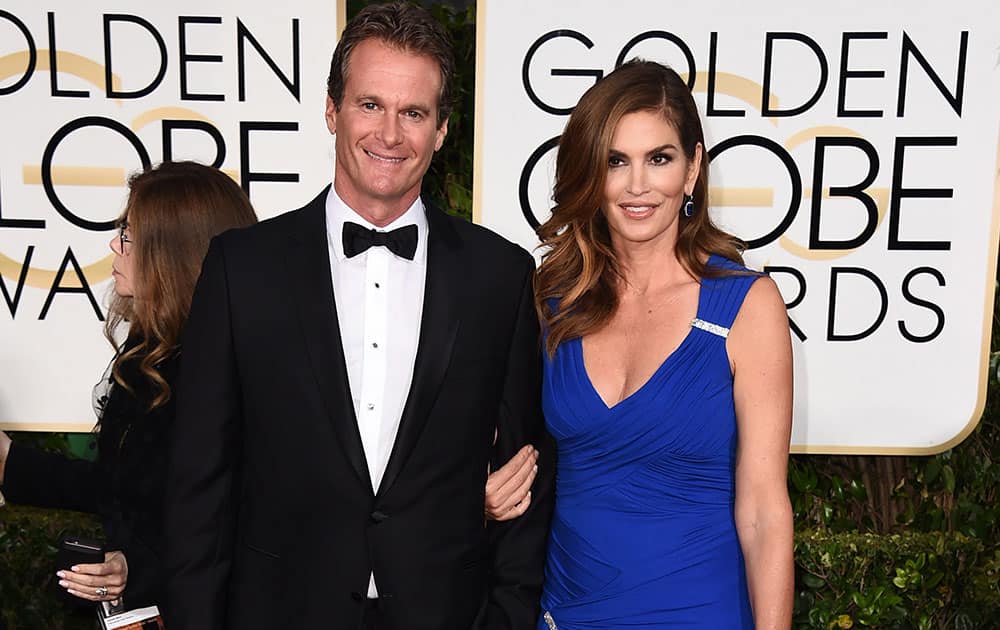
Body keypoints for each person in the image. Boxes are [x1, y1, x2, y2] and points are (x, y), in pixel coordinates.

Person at [160, 4, 554, 629]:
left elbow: (526, 478)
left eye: (414, 113)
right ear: (331, 110)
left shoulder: (498, 277)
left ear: (443, 130)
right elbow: (198, 487)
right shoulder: (243, 269)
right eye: (370, 104)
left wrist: (505, 618)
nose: (390, 134)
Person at [529, 60, 794, 628]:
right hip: (568, 612)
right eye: (615, 161)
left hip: (698, 610)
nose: (638, 185)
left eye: (660, 158)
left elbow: (765, 511)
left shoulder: (746, 305)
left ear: (693, 168)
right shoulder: (555, 301)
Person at [0, 161, 258, 609]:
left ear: (174, 254)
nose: (114, 245)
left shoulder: (241, 374)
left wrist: (138, 567)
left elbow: (245, 524)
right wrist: (9, 462)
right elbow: (125, 489)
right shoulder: (150, 359)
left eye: (129, 234)